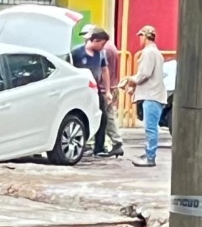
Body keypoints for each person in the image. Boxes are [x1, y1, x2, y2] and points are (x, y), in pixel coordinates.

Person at [122, 26, 167, 167]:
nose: (139, 39)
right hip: (154, 94)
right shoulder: (156, 53)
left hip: (152, 95)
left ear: (145, 37)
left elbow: (145, 74)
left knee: (150, 128)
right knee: (150, 128)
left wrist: (131, 79)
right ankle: (148, 153)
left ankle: (150, 157)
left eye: (141, 36)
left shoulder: (149, 53)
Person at [80, 24, 124, 157]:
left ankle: (115, 143)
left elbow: (105, 71)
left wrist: (107, 90)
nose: (84, 40)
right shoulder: (107, 48)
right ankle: (100, 144)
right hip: (105, 88)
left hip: (103, 89)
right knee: (104, 117)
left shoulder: (104, 50)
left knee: (106, 118)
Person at [71, 27, 111, 156]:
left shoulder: (101, 54)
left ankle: (99, 148)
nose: (103, 46)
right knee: (80, 118)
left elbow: (105, 70)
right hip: (79, 91)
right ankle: (80, 146)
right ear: (94, 40)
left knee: (102, 118)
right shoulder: (76, 52)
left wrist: (108, 91)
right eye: (102, 43)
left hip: (95, 90)